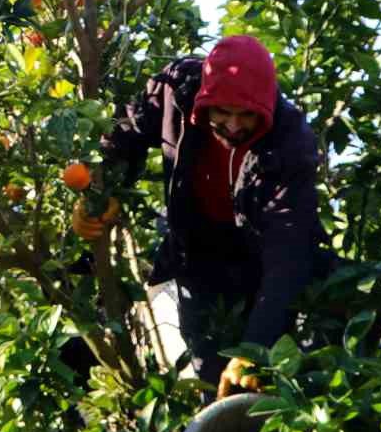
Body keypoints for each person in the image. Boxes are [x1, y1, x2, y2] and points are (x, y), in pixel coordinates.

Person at [78, 35, 332, 396]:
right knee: (209, 378)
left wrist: (254, 348)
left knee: (266, 381)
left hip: (256, 260)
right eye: (222, 112)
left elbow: (288, 253)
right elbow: (123, 135)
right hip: (197, 255)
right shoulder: (175, 90)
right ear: (203, 102)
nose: (232, 125)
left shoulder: (291, 143)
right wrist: (100, 195)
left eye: (246, 115)